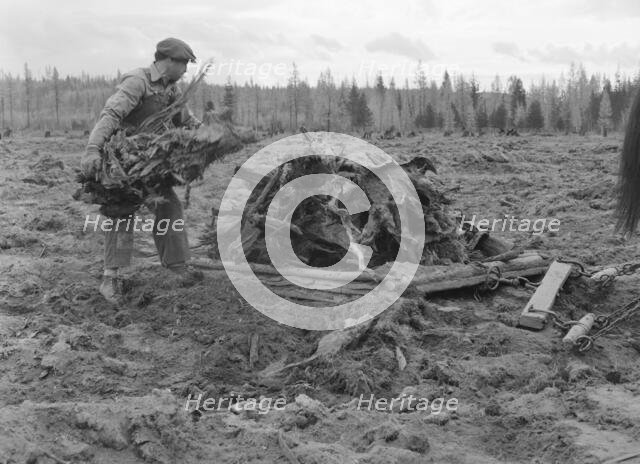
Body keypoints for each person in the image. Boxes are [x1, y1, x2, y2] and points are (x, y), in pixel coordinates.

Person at [81, 37, 201, 304]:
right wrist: (92, 148)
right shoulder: (138, 81)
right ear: (169, 61)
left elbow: (187, 120)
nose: (186, 71)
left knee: (169, 208)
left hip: (153, 165)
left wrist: (210, 133)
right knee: (121, 214)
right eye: (184, 64)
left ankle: (176, 268)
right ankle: (113, 277)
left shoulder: (172, 89)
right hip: (124, 166)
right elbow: (110, 114)